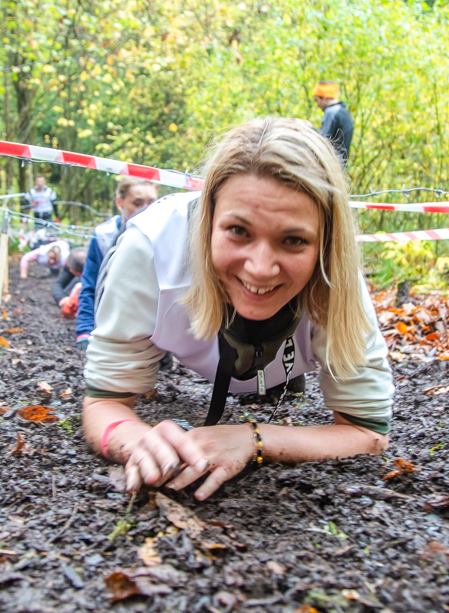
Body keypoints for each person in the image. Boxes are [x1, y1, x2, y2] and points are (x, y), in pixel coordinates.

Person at [83, 118, 394, 501]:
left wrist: (254, 439)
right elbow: (103, 402)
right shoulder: (149, 251)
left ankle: (279, 375)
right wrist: (136, 440)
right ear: (207, 219)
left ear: (324, 245)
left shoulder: (337, 278)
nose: (260, 268)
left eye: (294, 240)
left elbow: (368, 431)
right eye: (238, 231)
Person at [74, 177, 158, 350]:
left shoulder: (163, 234)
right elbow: (90, 284)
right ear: (120, 202)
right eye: (137, 203)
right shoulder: (103, 235)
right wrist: (84, 330)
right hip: (109, 318)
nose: (146, 210)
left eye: (151, 202)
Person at [313, 80, 354, 167]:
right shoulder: (344, 112)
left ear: (325, 97)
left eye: (317, 100)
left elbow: (323, 141)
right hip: (340, 165)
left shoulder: (331, 112)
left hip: (331, 165)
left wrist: (308, 128)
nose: (318, 105)